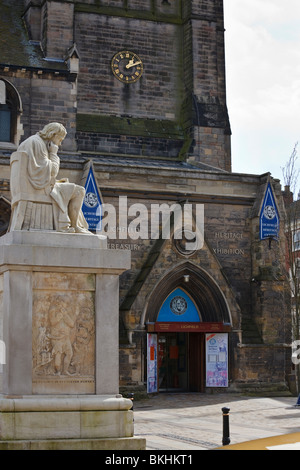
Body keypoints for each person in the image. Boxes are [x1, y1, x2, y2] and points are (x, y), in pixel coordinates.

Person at [17, 122, 90, 233]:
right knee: (79, 191)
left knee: (67, 186)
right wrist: (54, 153)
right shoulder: (38, 144)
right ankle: (74, 226)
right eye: (60, 140)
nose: (59, 144)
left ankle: (73, 225)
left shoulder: (31, 141)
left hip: (33, 185)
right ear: (54, 135)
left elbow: (39, 171)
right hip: (40, 189)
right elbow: (53, 171)